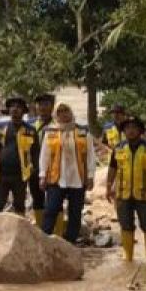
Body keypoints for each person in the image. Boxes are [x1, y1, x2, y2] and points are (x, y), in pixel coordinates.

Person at [38, 103, 96, 243]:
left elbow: (90, 155)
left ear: (71, 112)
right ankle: (44, 240)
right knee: (51, 210)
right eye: (60, 111)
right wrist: (42, 175)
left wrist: (90, 176)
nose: (63, 114)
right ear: (56, 115)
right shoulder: (50, 132)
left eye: (66, 110)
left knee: (75, 213)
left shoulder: (83, 132)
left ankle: (70, 242)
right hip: (57, 178)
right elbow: (44, 155)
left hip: (77, 179)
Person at [105, 116, 146, 262]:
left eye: (134, 127)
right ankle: (128, 257)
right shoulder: (118, 148)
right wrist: (108, 186)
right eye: (127, 128)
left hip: (145, 194)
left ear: (140, 130)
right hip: (123, 194)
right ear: (124, 131)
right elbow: (112, 169)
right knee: (125, 224)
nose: (131, 131)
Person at [0, 97, 37, 217]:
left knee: (19, 205)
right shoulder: (0, 127)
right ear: (8, 110)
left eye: (19, 107)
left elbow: (35, 152)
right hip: (1, 173)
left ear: (24, 111)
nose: (15, 109)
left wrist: (33, 170)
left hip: (20, 175)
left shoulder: (30, 130)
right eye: (12, 106)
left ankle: (19, 232)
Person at [30, 93, 58, 234]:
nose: (42, 107)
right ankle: (40, 233)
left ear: (52, 107)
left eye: (46, 104)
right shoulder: (30, 125)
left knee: (55, 201)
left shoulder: (57, 125)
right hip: (34, 168)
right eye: (40, 104)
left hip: (54, 168)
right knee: (37, 199)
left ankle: (57, 235)